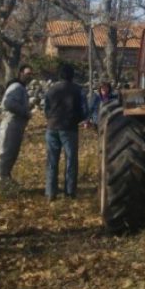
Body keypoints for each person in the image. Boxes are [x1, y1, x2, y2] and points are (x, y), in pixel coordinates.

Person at [43, 64, 85, 200]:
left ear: (59, 75)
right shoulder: (78, 90)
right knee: (71, 160)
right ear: (72, 76)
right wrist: (77, 119)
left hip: (52, 127)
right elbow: (85, 110)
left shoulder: (51, 90)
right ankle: (70, 192)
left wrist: (51, 119)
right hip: (69, 128)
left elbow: (46, 110)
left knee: (52, 161)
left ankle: (50, 192)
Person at [0, 65, 34, 185]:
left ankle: (6, 179)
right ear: (20, 73)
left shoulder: (20, 87)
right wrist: (25, 112)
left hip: (16, 125)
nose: (29, 77)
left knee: (12, 153)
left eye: (31, 74)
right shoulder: (16, 87)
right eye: (27, 73)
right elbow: (8, 103)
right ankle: (2, 182)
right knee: (6, 153)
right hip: (11, 124)